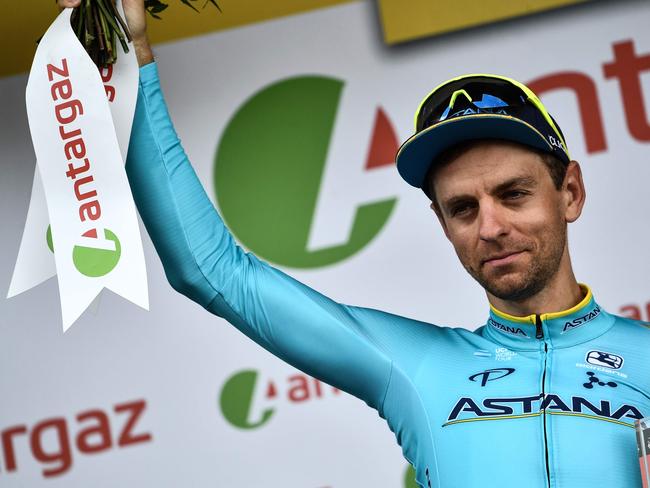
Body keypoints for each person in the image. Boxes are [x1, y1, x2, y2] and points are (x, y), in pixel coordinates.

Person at [57, 1, 650, 486]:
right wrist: (127, 63)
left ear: (569, 192)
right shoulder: (416, 367)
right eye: (462, 209)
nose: (490, 227)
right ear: (444, 226)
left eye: (513, 194)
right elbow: (208, 269)